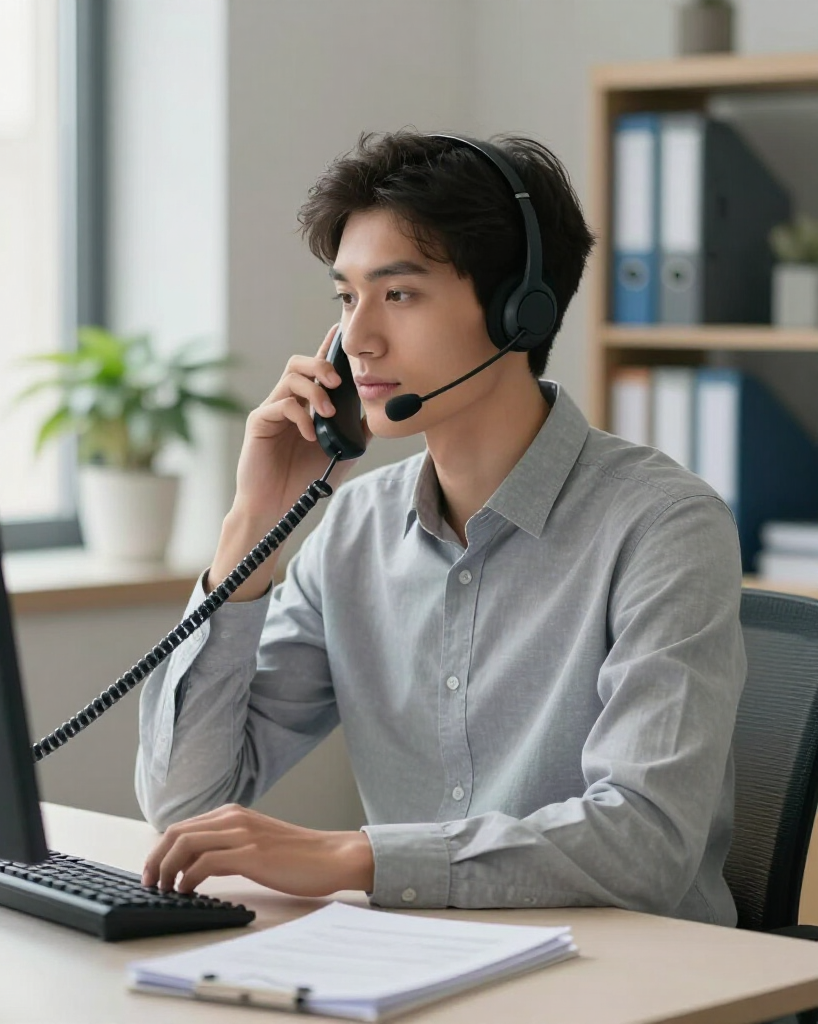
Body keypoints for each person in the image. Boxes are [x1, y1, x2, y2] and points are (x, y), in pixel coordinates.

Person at [134, 130, 746, 925]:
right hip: (420, 970)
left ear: (520, 313)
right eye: (346, 298)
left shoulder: (662, 526)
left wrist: (358, 856)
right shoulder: (354, 526)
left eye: (400, 294)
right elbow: (187, 803)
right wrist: (251, 527)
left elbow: (647, 841)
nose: (357, 340)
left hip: (632, 981)